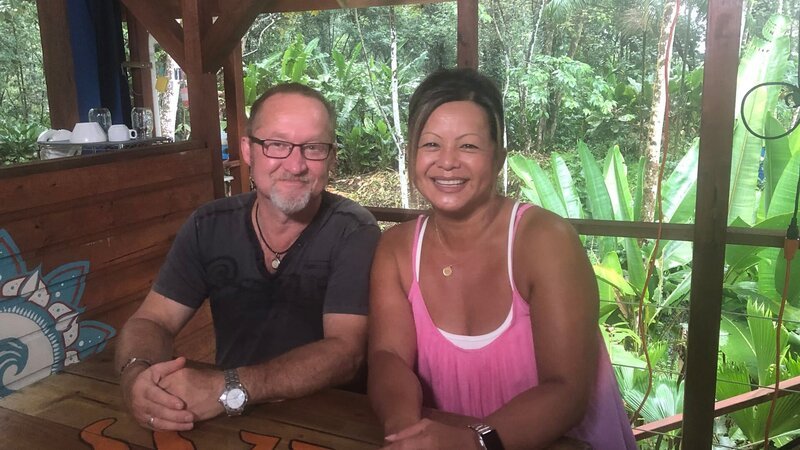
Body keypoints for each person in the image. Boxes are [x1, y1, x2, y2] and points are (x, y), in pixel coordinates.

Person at [367, 68, 636, 450]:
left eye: (468, 146)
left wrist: (471, 443)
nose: (447, 162)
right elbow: (388, 356)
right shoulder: (395, 249)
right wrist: (404, 431)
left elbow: (567, 389)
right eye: (431, 144)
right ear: (411, 155)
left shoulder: (544, 241)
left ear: (498, 158)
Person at [115, 83, 380, 431]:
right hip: (227, 421)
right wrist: (137, 377)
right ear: (248, 150)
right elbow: (153, 320)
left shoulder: (354, 231)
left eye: (313, 147)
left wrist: (229, 387)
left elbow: (346, 352)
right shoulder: (209, 225)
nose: (295, 165)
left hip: (329, 423)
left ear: (331, 157)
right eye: (277, 144)